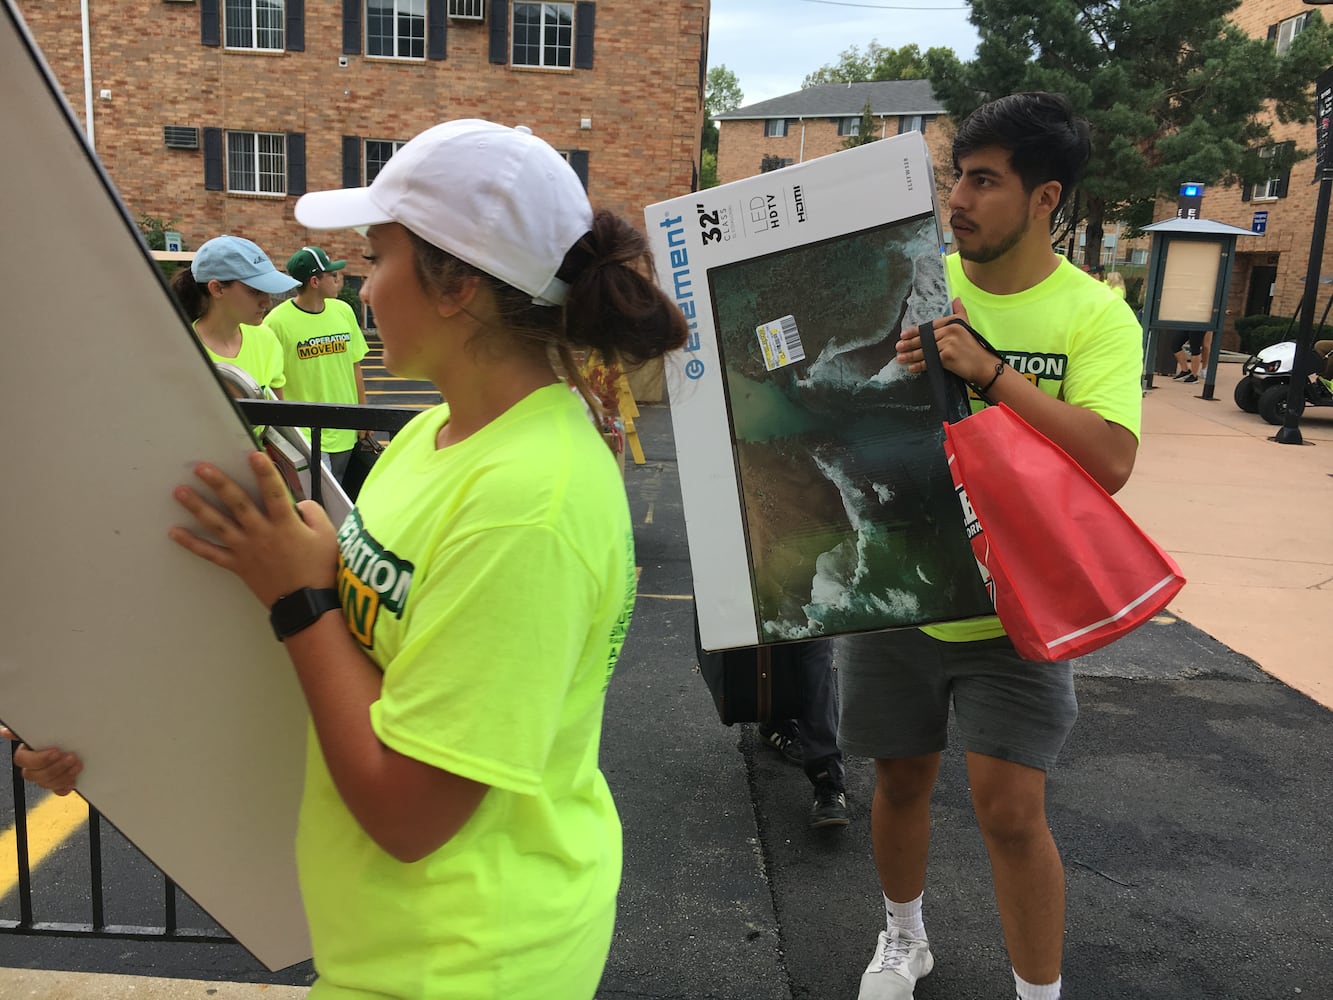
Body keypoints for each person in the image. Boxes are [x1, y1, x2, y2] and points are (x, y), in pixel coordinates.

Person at [10, 120, 687, 999]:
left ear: (455, 284)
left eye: (378, 257)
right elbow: (367, 658)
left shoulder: (531, 502)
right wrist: (107, 725)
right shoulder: (432, 437)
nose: (364, 290)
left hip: (468, 961)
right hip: (393, 939)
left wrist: (300, 597)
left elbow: (410, 811)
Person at [839, 93, 1142, 1000]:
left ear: (1044, 197)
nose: (957, 200)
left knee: (1011, 813)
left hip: (1019, 604)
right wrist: (883, 381)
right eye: (952, 179)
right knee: (897, 781)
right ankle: (904, 939)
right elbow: (844, 418)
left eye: (983, 180)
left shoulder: (1093, 316)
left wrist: (992, 375)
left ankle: (1037, 992)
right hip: (903, 585)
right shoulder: (918, 281)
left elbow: (1110, 461)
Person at [265, 246, 372, 481]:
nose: (338, 279)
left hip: (346, 428)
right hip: (307, 432)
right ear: (314, 281)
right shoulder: (276, 322)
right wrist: (287, 430)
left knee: (341, 495)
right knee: (322, 501)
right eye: (332, 276)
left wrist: (364, 415)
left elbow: (355, 365)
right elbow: (273, 381)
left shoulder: (343, 311)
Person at [171, 235, 298, 397]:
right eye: (255, 291)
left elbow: (278, 417)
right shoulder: (178, 350)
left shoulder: (267, 339)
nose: (267, 302)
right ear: (217, 289)